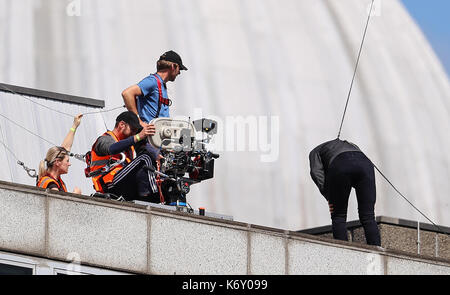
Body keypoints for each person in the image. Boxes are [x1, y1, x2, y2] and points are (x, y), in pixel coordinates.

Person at [309, 138, 381, 246]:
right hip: (366, 164)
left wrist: (330, 196)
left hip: (340, 164)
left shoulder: (315, 152)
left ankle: (343, 254)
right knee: (368, 216)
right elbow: (355, 165)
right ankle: (377, 252)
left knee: (339, 216)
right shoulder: (352, 145)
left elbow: (316, 172)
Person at [121, 50, 188, 162]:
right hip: (148, 141)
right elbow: (127, 93)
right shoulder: (152, 81)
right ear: (173, 66)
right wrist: (139, 121)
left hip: (156, 141)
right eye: (179, 69)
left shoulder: (161, 85)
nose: (179, 73)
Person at [88, 111, 159, 202]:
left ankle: (157, 198)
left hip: (123, 183)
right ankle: (150, 198)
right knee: (145, 158)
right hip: (109, 184)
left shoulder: (130, 145)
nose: (134, 133)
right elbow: (112, 149)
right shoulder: (104, 139)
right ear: (122, 125)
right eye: (132, 129)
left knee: (154, 169)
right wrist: (138, 136)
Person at [37, 114, 83, 194]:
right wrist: (75, 196)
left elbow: (66, 147)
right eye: (67, 161)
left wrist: (74, 126)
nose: (69, 164)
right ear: (57, 162)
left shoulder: (51, 179)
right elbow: (58, 205)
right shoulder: (51, 185)